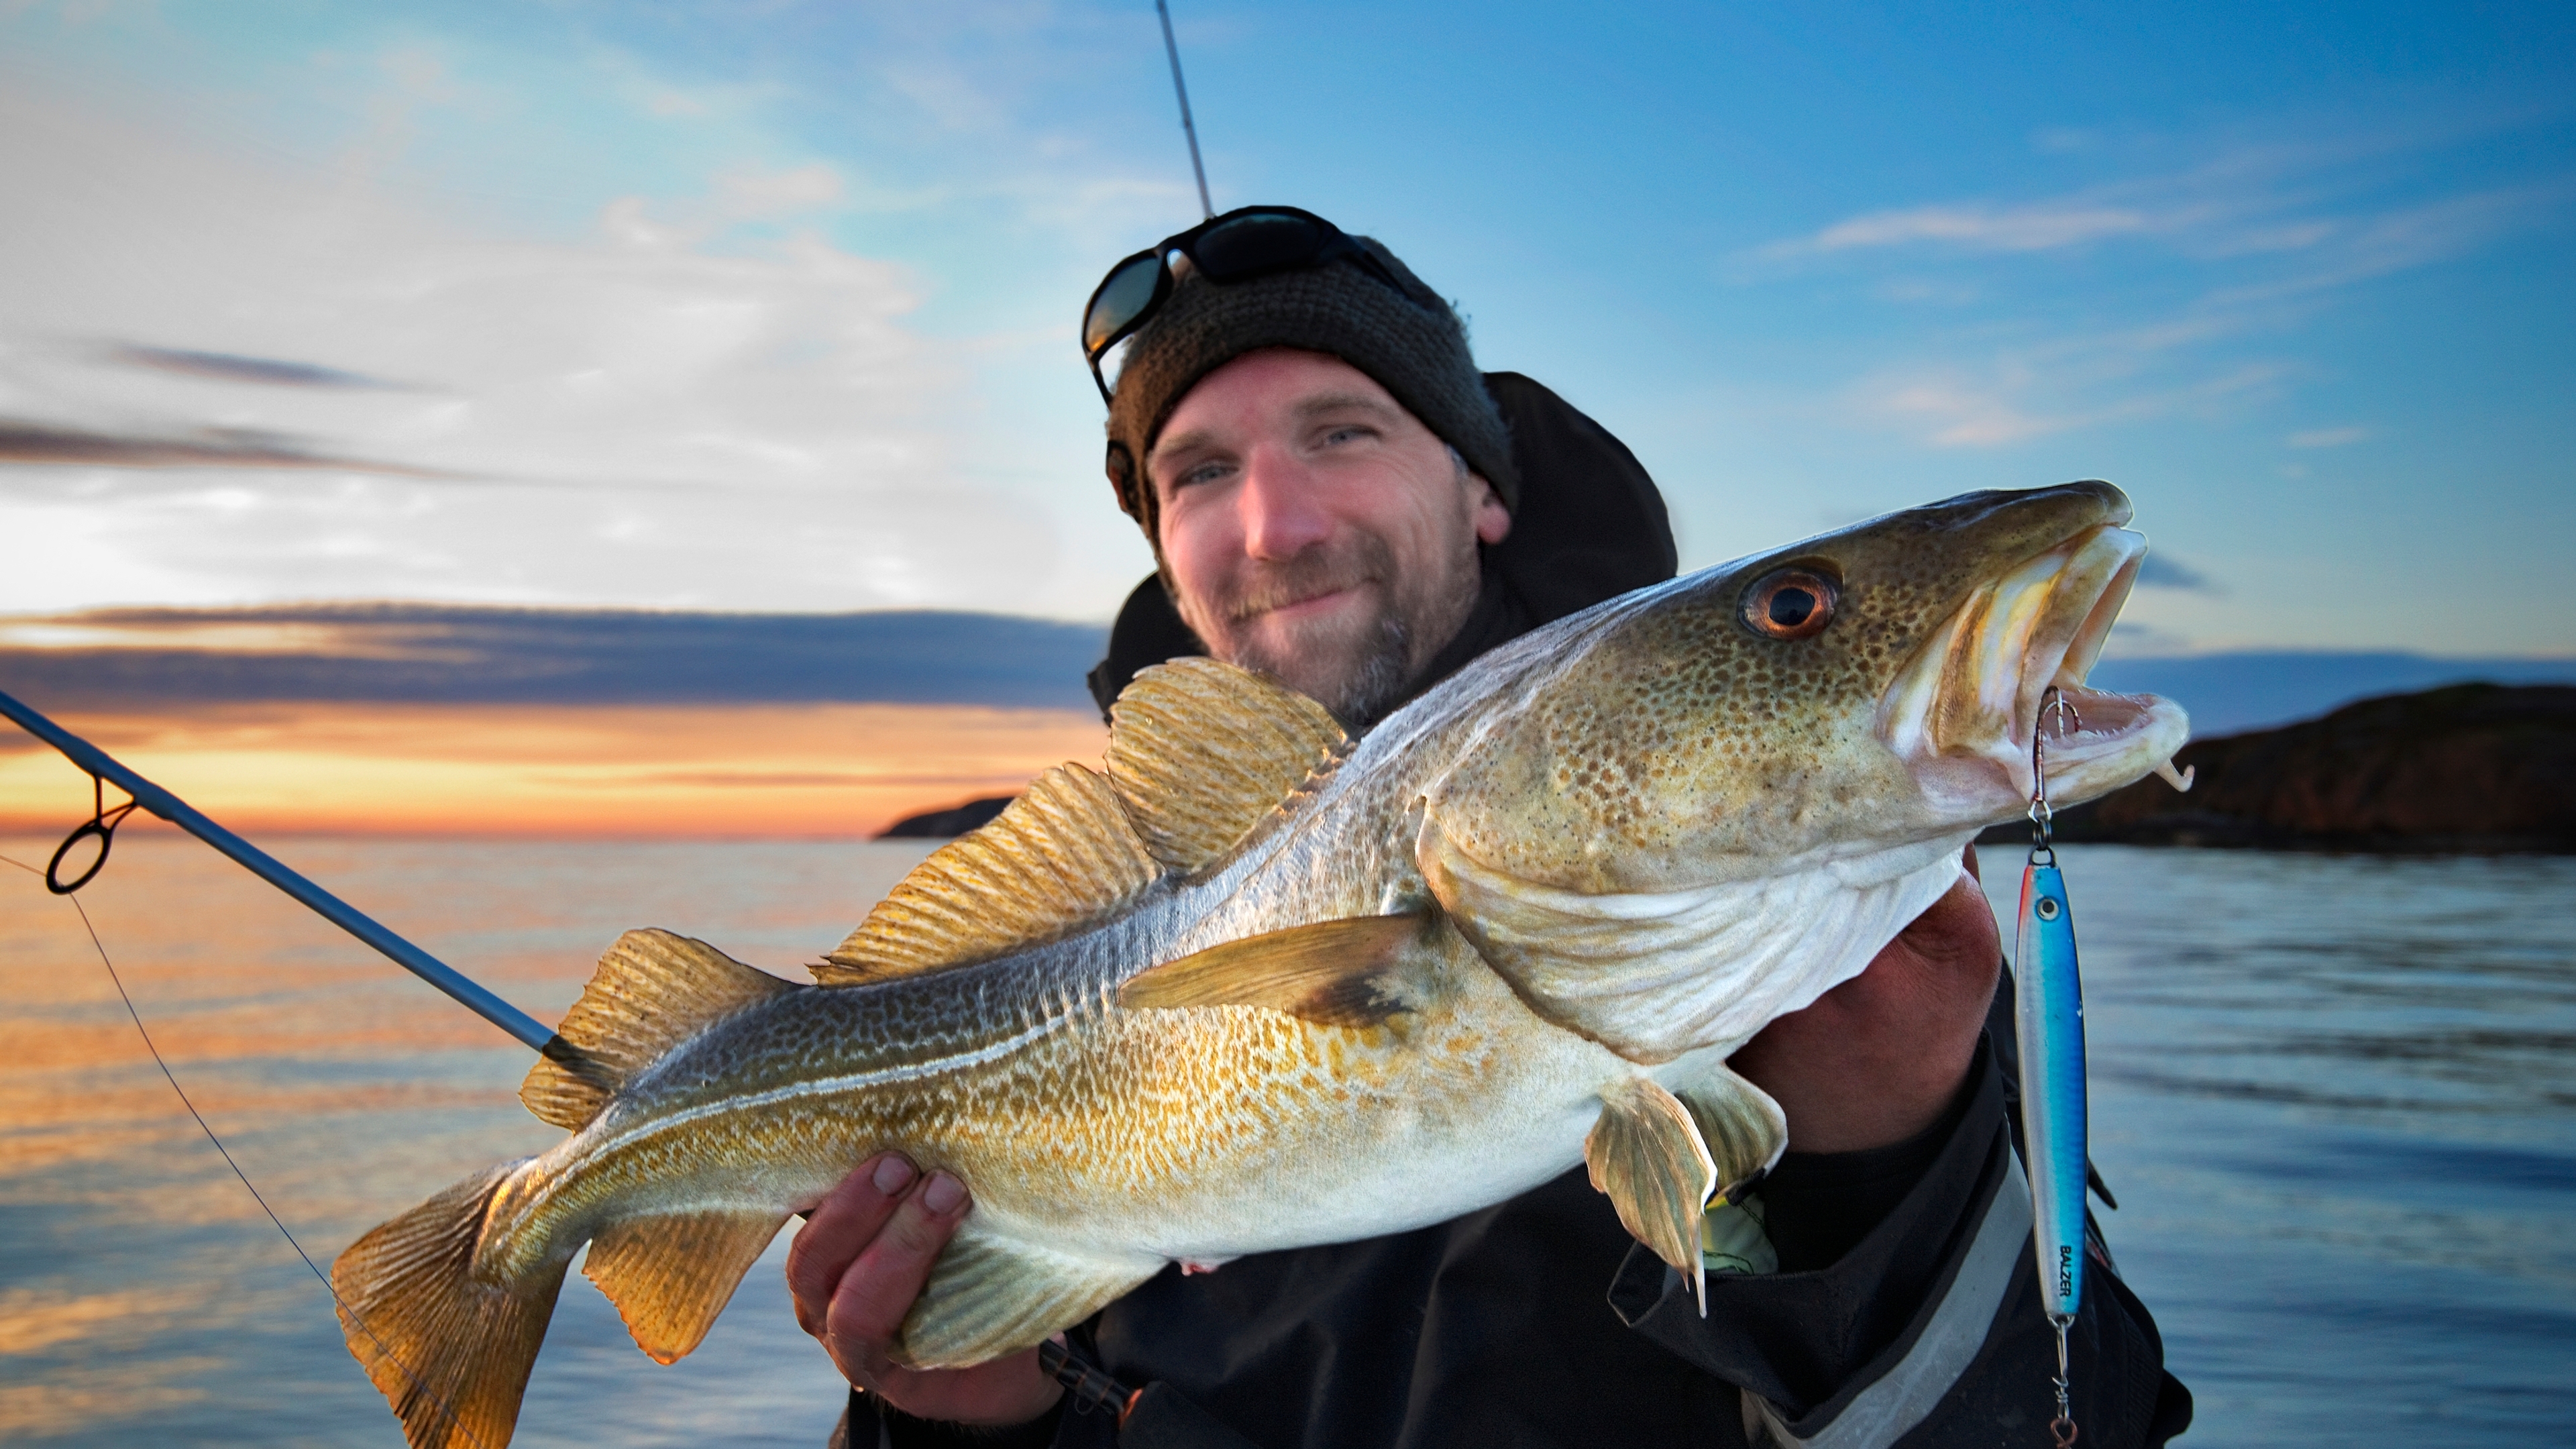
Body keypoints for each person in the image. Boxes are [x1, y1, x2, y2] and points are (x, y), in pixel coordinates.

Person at [788, 207, 2194, 1448]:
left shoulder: (1816, 929)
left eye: (1342, 432)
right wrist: (981, 1430)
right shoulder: (1092, 903)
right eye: (1199, 473)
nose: (1273, 524)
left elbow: (2084, 1419)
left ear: (1482, 485)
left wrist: (1892, 1184)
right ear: (1163, 544)